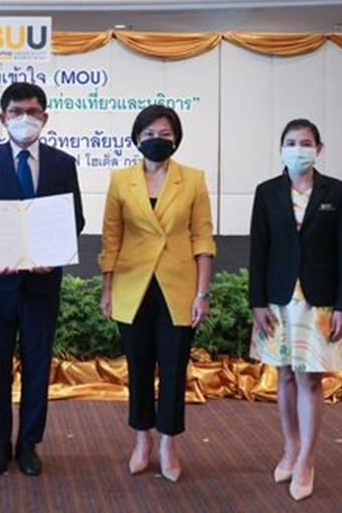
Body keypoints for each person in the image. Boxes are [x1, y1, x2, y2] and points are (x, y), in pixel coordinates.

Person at [0, 82, 85, 477]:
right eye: (16, 112)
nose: (24, 119)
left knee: (37, 365)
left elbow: (75, 219)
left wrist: (54, 254)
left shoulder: (63, 164)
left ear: (45, 117)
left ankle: (29, 444)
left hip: (42, 287)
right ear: (2, 117)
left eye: (32, 111)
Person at [98, 104, 215, 483]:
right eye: (149, 134)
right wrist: (107, 287)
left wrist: (202, 293)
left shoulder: (193, 179)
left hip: (178, 287)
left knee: (173, 369)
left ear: (176, 139)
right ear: (137, 138)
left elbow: (203, 238)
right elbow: (111, 237)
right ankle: (141, 440)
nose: (157, 140)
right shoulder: (120, 180)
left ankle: (168, 444)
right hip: (131, 285)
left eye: (165, 134)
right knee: (139, 368)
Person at [249, 118, 342, 501]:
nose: (299, 149)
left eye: (306, 143)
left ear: (319, 149)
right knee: (285, 376)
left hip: (319, 301)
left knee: (310, 380)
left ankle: (307, 460)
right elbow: (258, 250)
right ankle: (291, 448)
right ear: (281, 148)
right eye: (292, 142)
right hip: (278, 300)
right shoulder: (266, 192)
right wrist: (257, 302)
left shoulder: (337, 192)